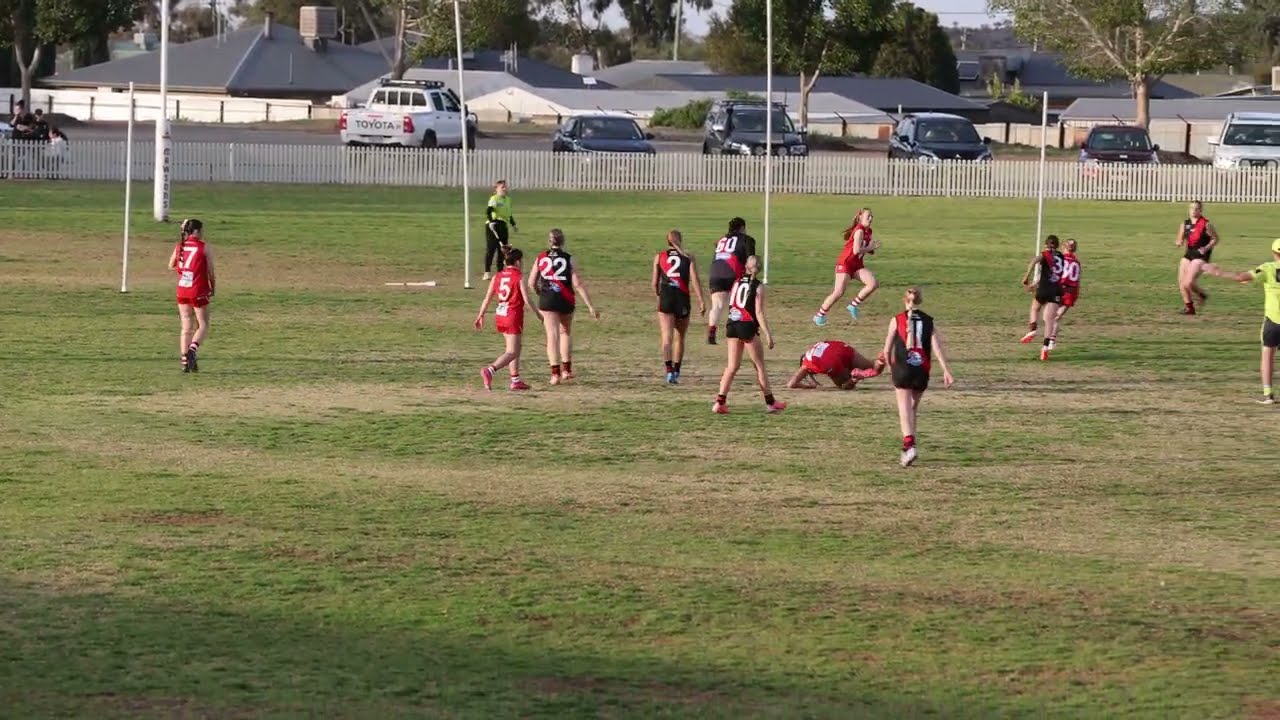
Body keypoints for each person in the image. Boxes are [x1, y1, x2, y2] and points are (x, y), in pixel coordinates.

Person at [881, 287, 955, 467]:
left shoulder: (896, 319)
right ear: (919, 300)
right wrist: (946, 370)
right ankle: (909, 446)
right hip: (922, 368)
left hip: (903, 367)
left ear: (904, 300)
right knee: (913, 408)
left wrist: (891, 367)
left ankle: (909, 445)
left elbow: (886, 349)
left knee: (904, 409)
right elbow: (937, 347)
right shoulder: (929, 321)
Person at [1203, 239, 1280, 404]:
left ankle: (1268, 394)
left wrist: (1218, 272)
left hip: (1273, 321)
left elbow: (1240, 277)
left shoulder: (1268, 268)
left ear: (1274, 253)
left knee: (1267, 354)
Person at [526, 229, 600, 385]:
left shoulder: (541, 257)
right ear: (563, 242)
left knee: (552, 336)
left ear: (549, 241)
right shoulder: (569, 259)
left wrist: (541, 293)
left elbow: (531, 283)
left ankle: (555, 374)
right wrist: (590, 306)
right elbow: (577, 284)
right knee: (565, 332)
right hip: (566, 299)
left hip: (547, 300)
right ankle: (567, 370)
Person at [713, 255, 786, 414]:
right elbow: (758, 312)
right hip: (747, 326)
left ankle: (719, 402)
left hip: (732, 324)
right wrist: (768, 334)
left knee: (732, 366)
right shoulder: (758, 286)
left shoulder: (736, 282)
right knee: (759, 366)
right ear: (759, 269)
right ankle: (770, 402)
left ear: (746, 266)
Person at [475, 247, 533, 392]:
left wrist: (480, 315)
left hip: (501, 314)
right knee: (512, 351)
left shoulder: (498, 276)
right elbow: (527, 299)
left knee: (515, 347)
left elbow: (487, 298)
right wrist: (539, 314)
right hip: (513, 315)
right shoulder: (519, 276)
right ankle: (490, 370)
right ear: (518, 261)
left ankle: (515, 380)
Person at [652, 229, 707, 384]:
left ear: (667, 241)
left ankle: (668, 370)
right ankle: (677, 370)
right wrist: (701, 300)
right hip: (682, 298)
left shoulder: (659, 256)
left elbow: (654, 283)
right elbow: (695, 280)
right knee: (680, 337)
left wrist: (659, 295)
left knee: (666, 337)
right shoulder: (688, 257)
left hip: (667, 297)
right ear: (680, 240)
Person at [814, 208, 881, 326]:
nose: (871, 219)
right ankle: (819, 315)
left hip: (857, 265)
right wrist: (869, 248)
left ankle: (853, 305)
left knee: (873, 283)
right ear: (860, 218)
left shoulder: (868, 231)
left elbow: (862, 247)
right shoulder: (859, 231)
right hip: (845, 263)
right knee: (838, 292)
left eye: (872, 217)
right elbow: (855, 250)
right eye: (868, 216)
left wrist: (871, 248)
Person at [166, 218, 216, 373]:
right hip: (198, 289)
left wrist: (184, 271)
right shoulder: (203, 247)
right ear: (196, 231)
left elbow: (171, 265)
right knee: (203, 324)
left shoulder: (180, 246)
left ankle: (185, 362)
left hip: (182, 289)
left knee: (186, 326)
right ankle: (192, 350)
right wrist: (212, 287)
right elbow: (211, 272)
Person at [706, 217, 755, 345]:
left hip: (716, 272)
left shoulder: (722, 240)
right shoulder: (746, 239)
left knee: (717, 305)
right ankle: (737, 330)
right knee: (737, 304)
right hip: (734, 272)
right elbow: (751, 259)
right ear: (742, 228)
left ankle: (712, 331)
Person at [1019, 234, 1065, 361]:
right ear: (1058, 245)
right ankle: (1045, 348)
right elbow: (1055, 273)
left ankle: (1033, 329)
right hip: (1056, 290)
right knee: (1050, 320)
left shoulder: (1045, 254)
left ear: (1046, 244)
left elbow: (1035, 261)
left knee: (1035, 308)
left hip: (1044, 288)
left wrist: (1026, 276)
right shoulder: (1061, 256)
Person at [787, 339, 886, 390]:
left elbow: (791, 384)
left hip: (830, 362)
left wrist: (808, 387)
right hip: (841, 348)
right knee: (873, 368)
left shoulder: (806, 364)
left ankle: (855, 377)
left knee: (844, 385)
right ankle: (882, 360)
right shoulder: (815, 346)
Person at [1176, 200, 1218, 315]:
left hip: (1201, 256)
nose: (1193, 211)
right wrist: (1179, 242)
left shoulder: (1206, 224)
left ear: (1201, 210)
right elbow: (1180, 238)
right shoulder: (1185, 223)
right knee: (1181, 283)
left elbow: (1215, 239)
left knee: (1187, 283)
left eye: (1196, 209)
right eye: (1191, 208)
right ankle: (1190, 308)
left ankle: (1200, 295)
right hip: (1189, 254)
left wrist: (1206, 247)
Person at [483, 180, 516, 281]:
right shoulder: (494, 199)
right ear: (496, 189)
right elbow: (488, 211)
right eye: (502, 187)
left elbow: (509, 214)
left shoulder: (508, 200)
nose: (504, 189)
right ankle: (487, 272)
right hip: (493, 226)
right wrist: (491, 221)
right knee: (491, 249)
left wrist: (513, 224)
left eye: (505, 187)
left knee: (503, 250)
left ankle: (500, 272)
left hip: (503, 226)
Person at [1056, 238, 1082, 323]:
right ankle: (1052, 334)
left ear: (1063, 246)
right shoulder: (1077, 262)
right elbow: (1077, 279)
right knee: (1058, 317)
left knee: (1051, 314)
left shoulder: (1061, 259)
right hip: (1071, 290)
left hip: (1060, 287)